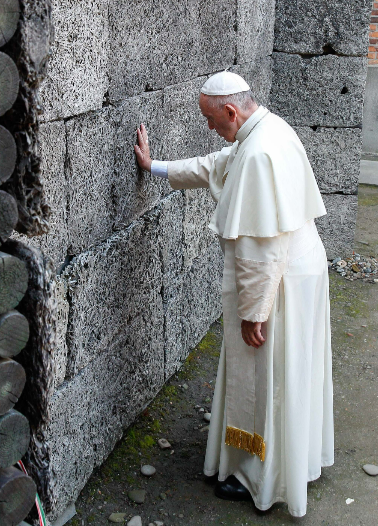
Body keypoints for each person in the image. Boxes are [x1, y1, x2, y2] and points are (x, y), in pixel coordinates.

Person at [133, 71, 335, 517]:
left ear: (230, 110)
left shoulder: (261, 151)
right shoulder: (265, 129)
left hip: (278, 281)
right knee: (293, 367)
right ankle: (293, 458)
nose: (209, 127)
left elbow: (261, 250)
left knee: (267, 377)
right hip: (300, 270)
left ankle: (258, 478)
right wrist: (156, 167)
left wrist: (253, 312)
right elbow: (216, 164)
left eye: (211, 118)